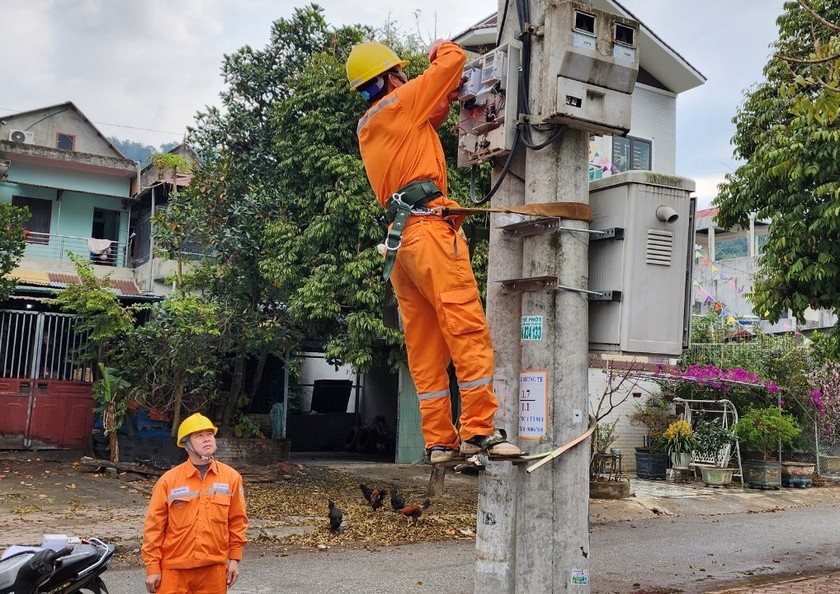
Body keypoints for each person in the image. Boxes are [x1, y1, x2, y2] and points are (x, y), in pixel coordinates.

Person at [346, 39, 522, 464]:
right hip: (427, 231)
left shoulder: (373, 123)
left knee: (424, 345)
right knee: (465, 327)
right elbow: (455, 59)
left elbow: (434, 115)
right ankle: (479, 431)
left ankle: (440, 441)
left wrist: (444, 95)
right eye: (402, 73)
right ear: (391, 77)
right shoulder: (402, 104)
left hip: (401, 243)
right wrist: (439, 48)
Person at [141, 413, 248, 593]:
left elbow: (238, 521)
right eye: (199, 436)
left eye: (209, 434)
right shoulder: (169, 481)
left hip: (213, 570)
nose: (207, 440)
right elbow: (154, 527)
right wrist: (152, 568)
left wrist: (235, 559)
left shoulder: (231, 478)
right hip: (174, 570)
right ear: (186, 444)